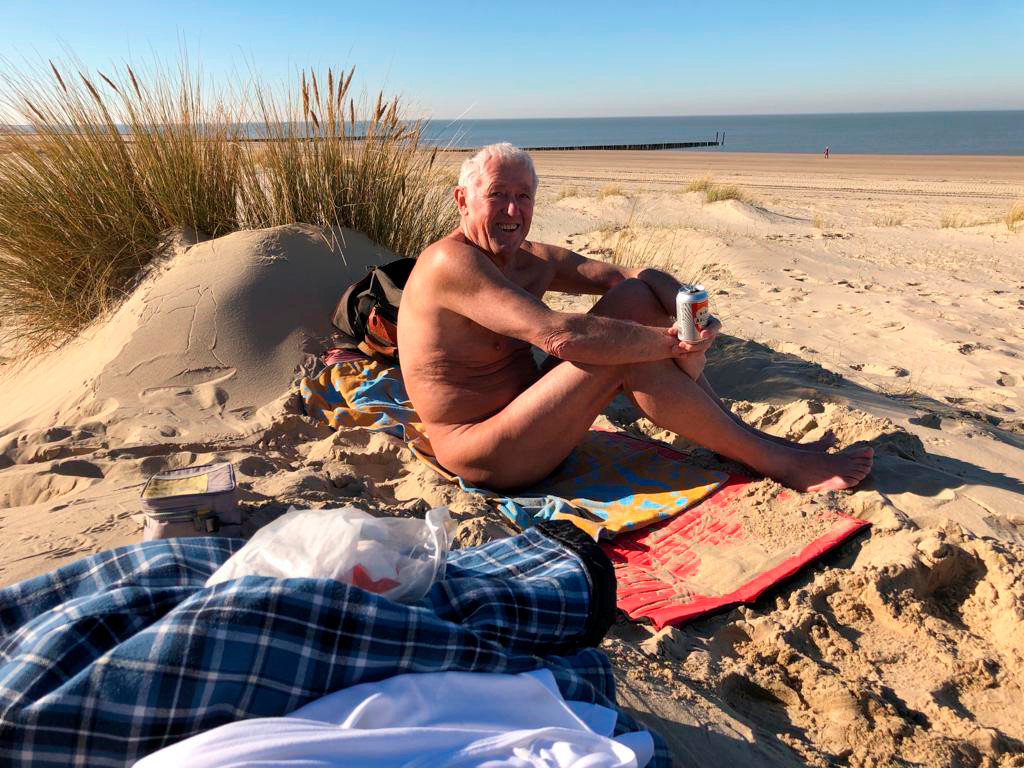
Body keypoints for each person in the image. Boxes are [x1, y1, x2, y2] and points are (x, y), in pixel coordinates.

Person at [397, 143, 872, 491]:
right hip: (484, 451)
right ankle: (776, 461)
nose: (512, 210)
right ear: (462, 200)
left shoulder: (530, 258)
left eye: (524, 197)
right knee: (622, 352)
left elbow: (629, 274)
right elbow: (559, 336)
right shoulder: (450, 263)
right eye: (497, 195)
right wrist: (671, 344)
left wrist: (692, 312)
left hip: (533, 416)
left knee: (635, 298)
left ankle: (753, 440)